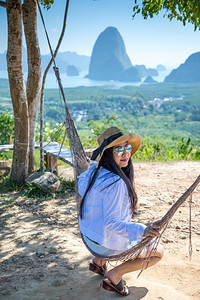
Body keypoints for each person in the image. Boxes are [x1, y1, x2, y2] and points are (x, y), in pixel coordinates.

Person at [75, 126, 164, 296]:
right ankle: (115, 274)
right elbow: (111, 223)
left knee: (108, 224)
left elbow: (81, 188)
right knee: (158, 252)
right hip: (102, 245)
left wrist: (87, 166)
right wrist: (142, 230)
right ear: (108, 153)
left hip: (88, 236)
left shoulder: (93, 171)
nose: (125, 154)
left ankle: (98, 263)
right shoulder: (115, 182)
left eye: (127, 147)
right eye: (119, 149)